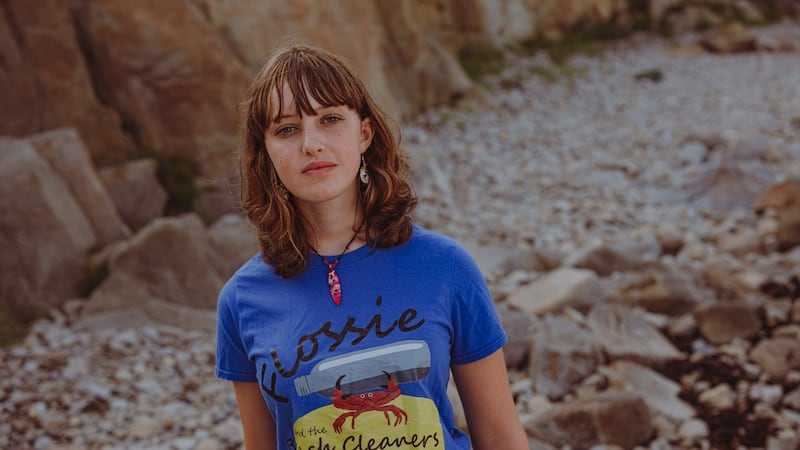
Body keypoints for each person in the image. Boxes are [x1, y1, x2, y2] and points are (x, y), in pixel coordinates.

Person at [215, 43, 528, 450]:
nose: (311, 144)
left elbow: (501, 436)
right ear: (267, 151)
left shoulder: (446, 267)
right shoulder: (241, 300)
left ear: (364, 134)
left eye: (329, 119)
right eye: (287, 129)